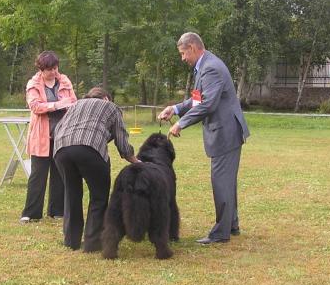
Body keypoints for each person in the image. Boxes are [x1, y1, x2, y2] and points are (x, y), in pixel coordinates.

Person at [158, 32, 250, 245]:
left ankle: (220, 233)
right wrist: (175, 109)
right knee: (226, 181)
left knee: (221, 181)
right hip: (226, 131)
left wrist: (181, 123)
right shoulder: (205, 66)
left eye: (183, 53)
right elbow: (198, 99)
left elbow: (208, 104)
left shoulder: (211, 68)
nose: (182, 58)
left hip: (225, 133)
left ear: (192, 47)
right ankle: (231, 224)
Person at [53, 87, 139, 252]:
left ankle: (71, 241)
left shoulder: (75, 105)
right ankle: (92, 243)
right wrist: (135, 161)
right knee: (99, 197)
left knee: (71, 194)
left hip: (61, 149)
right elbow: (121, 140)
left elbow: (57, 129)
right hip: (90, 149)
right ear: (106, 98)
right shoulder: (111, 107)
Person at [20, 51, 77, 223]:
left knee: (60, 173)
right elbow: (35, 106)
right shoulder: (33, 84)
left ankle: (57, 210)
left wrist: (65, 105)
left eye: (55, 68)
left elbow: (73, 101)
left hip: (61, 135)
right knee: (38, 175)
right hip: (41, 136)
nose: (53, 72)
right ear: (41, 69)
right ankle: (31, 212)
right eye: (49, 69)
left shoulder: (65, 81)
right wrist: (57, 105)